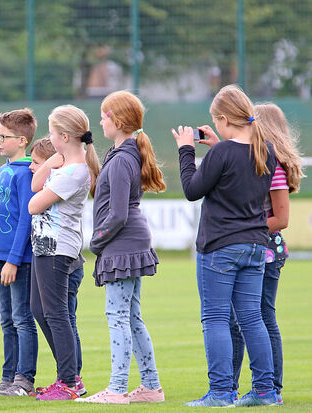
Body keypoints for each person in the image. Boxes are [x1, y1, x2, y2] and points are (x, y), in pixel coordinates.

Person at [172, 85, 279, 407]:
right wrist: (218, 145)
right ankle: (265, 391)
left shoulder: (222, 153)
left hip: (220, 247)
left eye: (215, 121)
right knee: (252, 319)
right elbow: (238, 171)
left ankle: (221, 392)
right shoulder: (265, 149)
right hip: (256, 245)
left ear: (222, 118)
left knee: (216, 318)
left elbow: (192, 190)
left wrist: (186, 150)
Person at [79, 91, 166, 405]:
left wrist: (96, 241)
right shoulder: (124, 155)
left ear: (117, 120)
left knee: (117, 316)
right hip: (131, 242)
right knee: (131, 316)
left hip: (122, 244)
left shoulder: (121, 160)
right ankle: (151, 387)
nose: (100, 120)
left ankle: (117, 389)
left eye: (103, 115)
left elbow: (117, 214)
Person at [227, 103, 304, 405]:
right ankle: (232, 387)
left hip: (266, 250)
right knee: (242, 318)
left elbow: (281, 219)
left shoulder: (275, 168)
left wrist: (243, 228)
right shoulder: (262, 161)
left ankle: (271, 388)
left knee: (260, 318)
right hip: (258, 246)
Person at [27, 105, 100, 401]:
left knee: (57, 314)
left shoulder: (75, 172)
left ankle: (69, 381)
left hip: (57, 248)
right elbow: (35, 184)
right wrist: (52, 160)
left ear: (65, 136)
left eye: (53, 133)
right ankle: (68, 376)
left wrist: (58, 163)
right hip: (45, 246)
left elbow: (34, 204)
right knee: (38, 310)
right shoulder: (64, 165)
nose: (50, 138)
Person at [0, 108, 39, 397]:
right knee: (7, 320)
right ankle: (7, 379)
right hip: (1, 257)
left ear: (23, 140)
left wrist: (13, 260)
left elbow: (27, 218)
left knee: (22, 318)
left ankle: (24, 380)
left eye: (3, 136)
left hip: (20, 260)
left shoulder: (25, 174)